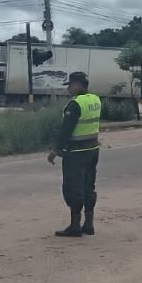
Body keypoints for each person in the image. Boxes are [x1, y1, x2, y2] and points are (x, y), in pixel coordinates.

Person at [47, 71, 102, 237]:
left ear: (78, 85)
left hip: (76, 153)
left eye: (70, 85)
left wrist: (55, 151)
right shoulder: (95, 100)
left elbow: (66, 131)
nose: (68, 89)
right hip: (93, 150)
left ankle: (75, 225)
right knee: (88, 186)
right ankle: (89, 224)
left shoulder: (75, 104)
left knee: (73, 189)